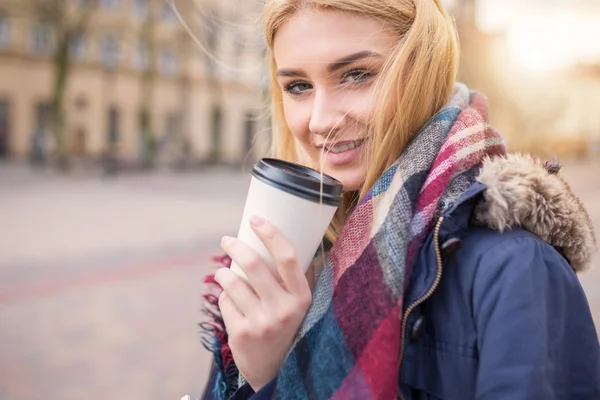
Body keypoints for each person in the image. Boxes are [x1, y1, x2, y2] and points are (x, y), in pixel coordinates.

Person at [199, 0, 600, 399]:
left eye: (357, 75)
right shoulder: (301, 255)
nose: (319, 120)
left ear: (424, 71)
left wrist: (276, 378)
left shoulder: (515, 269)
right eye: (298, 86)